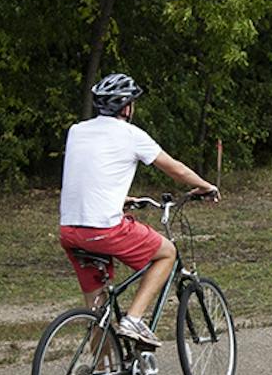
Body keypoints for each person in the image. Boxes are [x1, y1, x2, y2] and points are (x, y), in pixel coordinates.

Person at [57, 72, 219, 348]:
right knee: (167, 253)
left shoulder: (77, 131)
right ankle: (134, 320)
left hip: (70, 231)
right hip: (104, 229)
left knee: (99, 313)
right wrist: (206, 187)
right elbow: (175, 169)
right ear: (127, 107)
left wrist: (118, 198)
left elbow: (89, 172)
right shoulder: (132, 135)